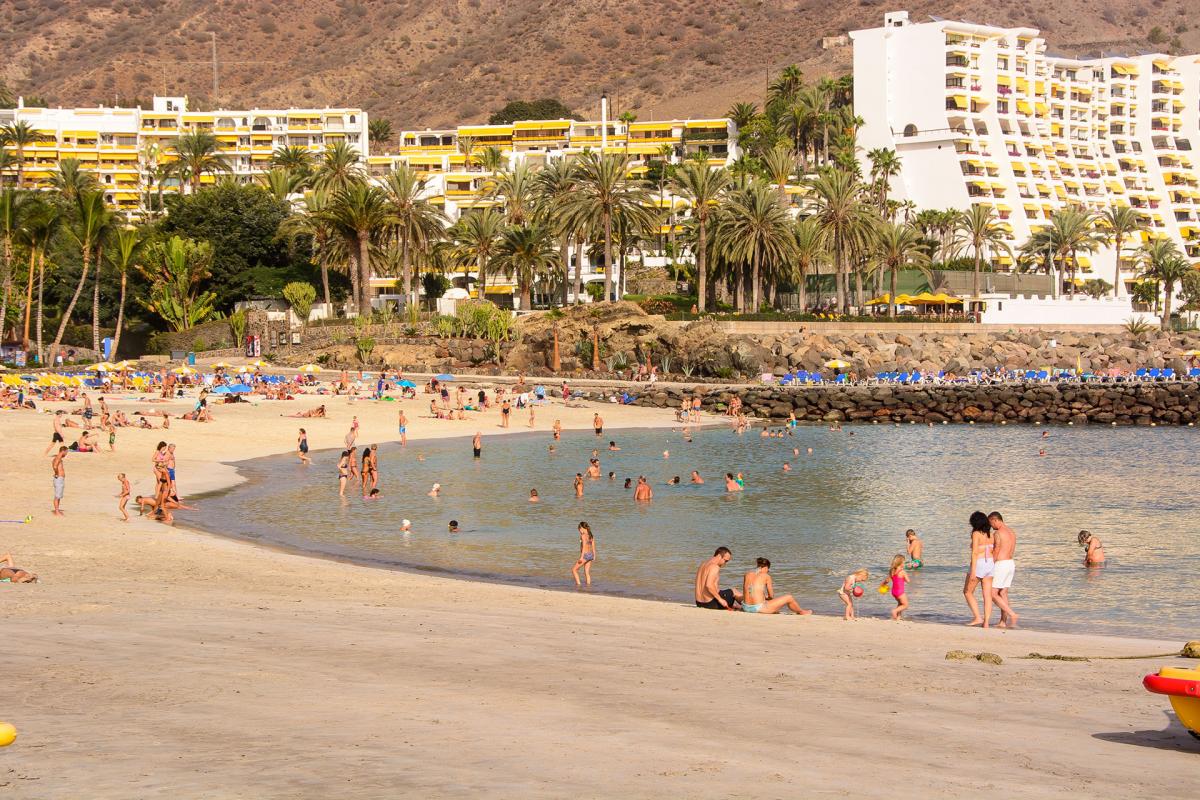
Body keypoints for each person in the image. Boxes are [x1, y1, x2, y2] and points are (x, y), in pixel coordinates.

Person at [740, 558, 813, 615]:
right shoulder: (766, 576)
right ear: (766, 567)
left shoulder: (747, 574)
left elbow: (748, 591)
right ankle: (801, 611)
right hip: (758, 608)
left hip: (745, 607)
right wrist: (766, 598)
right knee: (789, 597)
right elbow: (771, 596)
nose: (768, 572)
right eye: (768, 570)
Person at [964, 510, 994, 627]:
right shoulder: (991, 535)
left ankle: (978, 617)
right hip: (990, 564)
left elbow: (975, 553)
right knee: (987, 595)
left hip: (980, 563)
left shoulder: (976, 534)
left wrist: (973, 571)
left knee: (967, 592)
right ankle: (986, 622)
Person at [989, 511, 1019, 628]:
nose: (991, 526)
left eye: (991, 523)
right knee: (1003, 593)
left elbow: (996, 551)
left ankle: (1012, 614)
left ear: (995, 520)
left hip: (1001, 564)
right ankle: (1003, 621)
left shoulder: (998, 533)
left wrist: (991, 564)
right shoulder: (1011, 532)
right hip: (1010, 563)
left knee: (992, 593)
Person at [571, 521, 597, 587]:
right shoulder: (591, 535)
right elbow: (593, 546)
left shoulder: (583, 535)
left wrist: (581, 557)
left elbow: (584, 546)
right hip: (591, 555)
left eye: (579, 529)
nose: (579, 531)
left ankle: (578, 585)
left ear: (581, 528)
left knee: (574, 570)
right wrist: (594, 556)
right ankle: (588, 586)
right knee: (587, 572)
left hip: (585, 556)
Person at [888, 555, 909, 620]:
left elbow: (889, 579)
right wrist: (906, 575)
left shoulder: (892, 571)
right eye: (904, 562)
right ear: (901, 563)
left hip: (894, 591)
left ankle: (898, 617)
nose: (904, 564)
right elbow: (908, 581)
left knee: (900, 603)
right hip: (900, 592)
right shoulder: (902, 572)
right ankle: (894, 611)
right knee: (905, 605)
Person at [51, 446, 67, 515]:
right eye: (66, 452)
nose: (66, 454)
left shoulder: (58, 458)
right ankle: (56, 511)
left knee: (59, 496)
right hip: (59, 479)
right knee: (57, 496)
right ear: (63, 451)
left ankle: (57, 510)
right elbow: (55, 466)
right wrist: (56, 473)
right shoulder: (58, 458)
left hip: (60, 479)